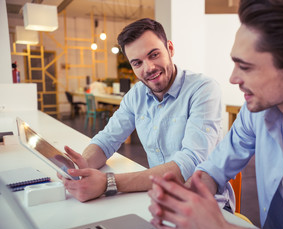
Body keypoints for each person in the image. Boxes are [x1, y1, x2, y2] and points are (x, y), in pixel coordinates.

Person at [148, 0, 283, 229]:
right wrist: (184, 199)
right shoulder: (257, 111)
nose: (232, 78)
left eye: (245, 67)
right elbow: (214, 169)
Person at [58, 18, 226, 203]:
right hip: (157, 197)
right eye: (137, 63)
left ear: (170, 49)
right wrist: (83, 166)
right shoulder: (135, 95)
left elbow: (190, 163)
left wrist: (109, 183)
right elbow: (107, 140)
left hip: (205, 204)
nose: (149, 68)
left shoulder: (203, 89)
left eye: (154, 55)